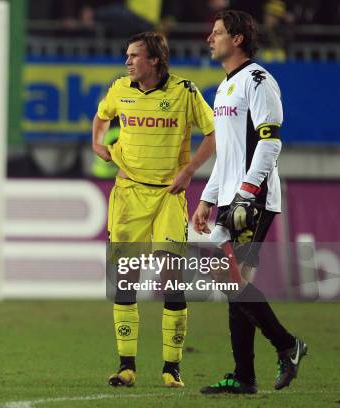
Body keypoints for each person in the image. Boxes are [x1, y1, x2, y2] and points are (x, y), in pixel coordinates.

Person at [92, 31, 216, 388]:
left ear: (155, 61)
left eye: (134, 56)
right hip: (129, 195)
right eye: (127, 56)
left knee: (171, 279)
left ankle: (171, 368)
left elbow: (213, 134)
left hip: (167, 196)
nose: (127, 62)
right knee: (126, 277)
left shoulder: (185, 93)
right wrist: (97, 142)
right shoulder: (120, 89)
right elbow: (101, 117)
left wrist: (190, 170)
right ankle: (126, 366)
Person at [193, 10, 307, 394]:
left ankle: (286, 346)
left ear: (238, 38)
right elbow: (227, 155)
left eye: (218, 32)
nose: (210, 38)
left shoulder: (258, 80)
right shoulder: (224, 87)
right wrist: (208, 198)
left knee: (233, 282)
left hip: (251, 199)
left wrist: (247, 192)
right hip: (229, 197)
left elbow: (270, 140)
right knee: (235, 285)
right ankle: (246, 375)